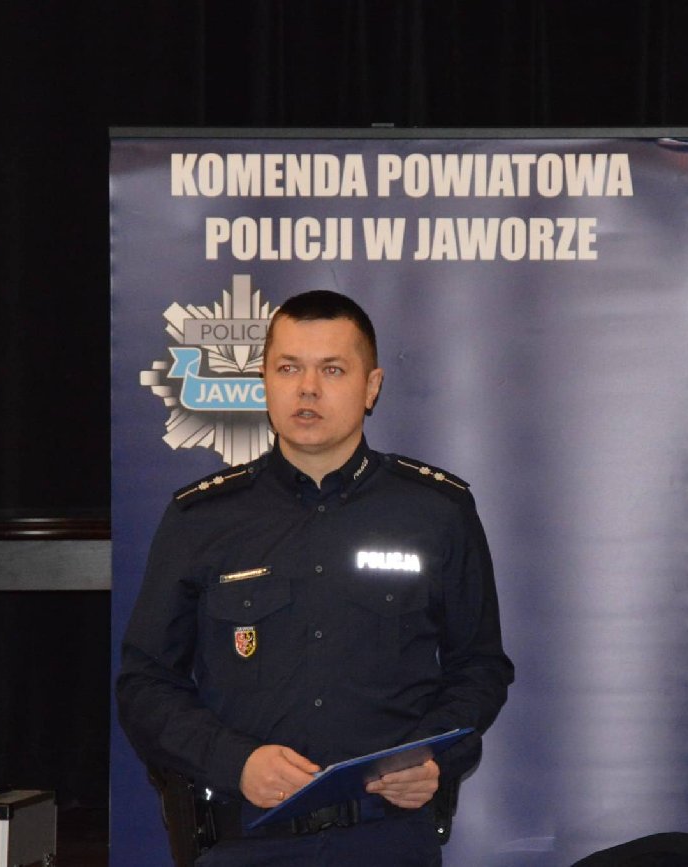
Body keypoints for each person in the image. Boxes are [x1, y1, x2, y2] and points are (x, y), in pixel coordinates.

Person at [117, 290, 514, 866]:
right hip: (246, 841)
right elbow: (146, 685)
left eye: (332, 369)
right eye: (288, 368)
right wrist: (234, 762)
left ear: (371, 386)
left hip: (388, 839)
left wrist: (431, 758)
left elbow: (479, 667)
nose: (307, 389)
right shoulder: (200, 519)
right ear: (264, 381)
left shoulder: (437, 511)